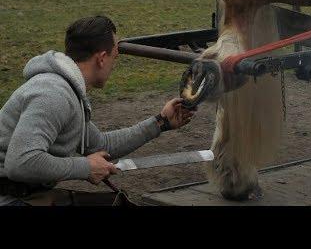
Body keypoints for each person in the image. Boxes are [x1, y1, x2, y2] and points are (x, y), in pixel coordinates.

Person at [0, 15, 195, 206]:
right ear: (102, 58)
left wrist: (161, 122)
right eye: (114, 57)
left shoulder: (68, 92)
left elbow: (101, 145)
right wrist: (85, 167)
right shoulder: (53, 94)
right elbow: (21, 162)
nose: (113, 65)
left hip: (25, 193)